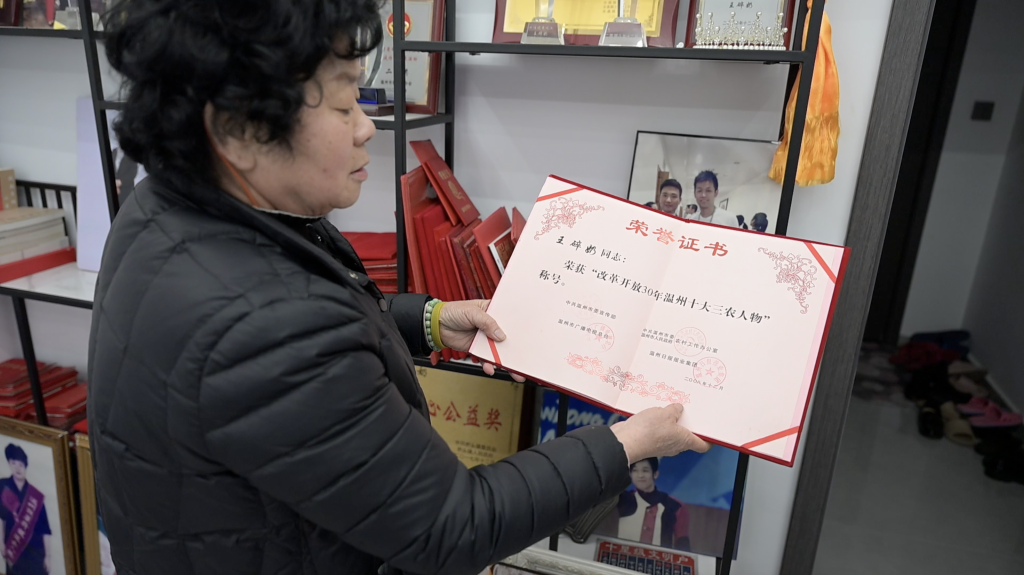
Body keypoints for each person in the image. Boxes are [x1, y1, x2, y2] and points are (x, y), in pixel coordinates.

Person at [87, 2, 710, 575]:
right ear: (237, 131)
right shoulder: (268, 327)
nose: (366, 128)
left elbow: (305, 317)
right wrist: (624, 444)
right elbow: (453, 526)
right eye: (343, 106)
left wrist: (431, 321)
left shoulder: (164, 205)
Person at [598, 458, 691, 551]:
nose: (640, 475)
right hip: (624, 556)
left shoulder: (675, 506)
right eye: (635, 470)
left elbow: (683, 544)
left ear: (655, 474)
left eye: (645, 470)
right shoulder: (622, 499)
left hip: (658, 558)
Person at [0, 444, 52, 575]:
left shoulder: (35, 496)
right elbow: (1, 518)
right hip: (14, 549)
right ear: (9, 464)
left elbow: (45, 529)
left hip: (36, 552)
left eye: (21, 464)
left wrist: (48, 556)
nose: (17, 468)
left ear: (26, 466)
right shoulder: (3, 485)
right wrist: (1, 543)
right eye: (13, 463)